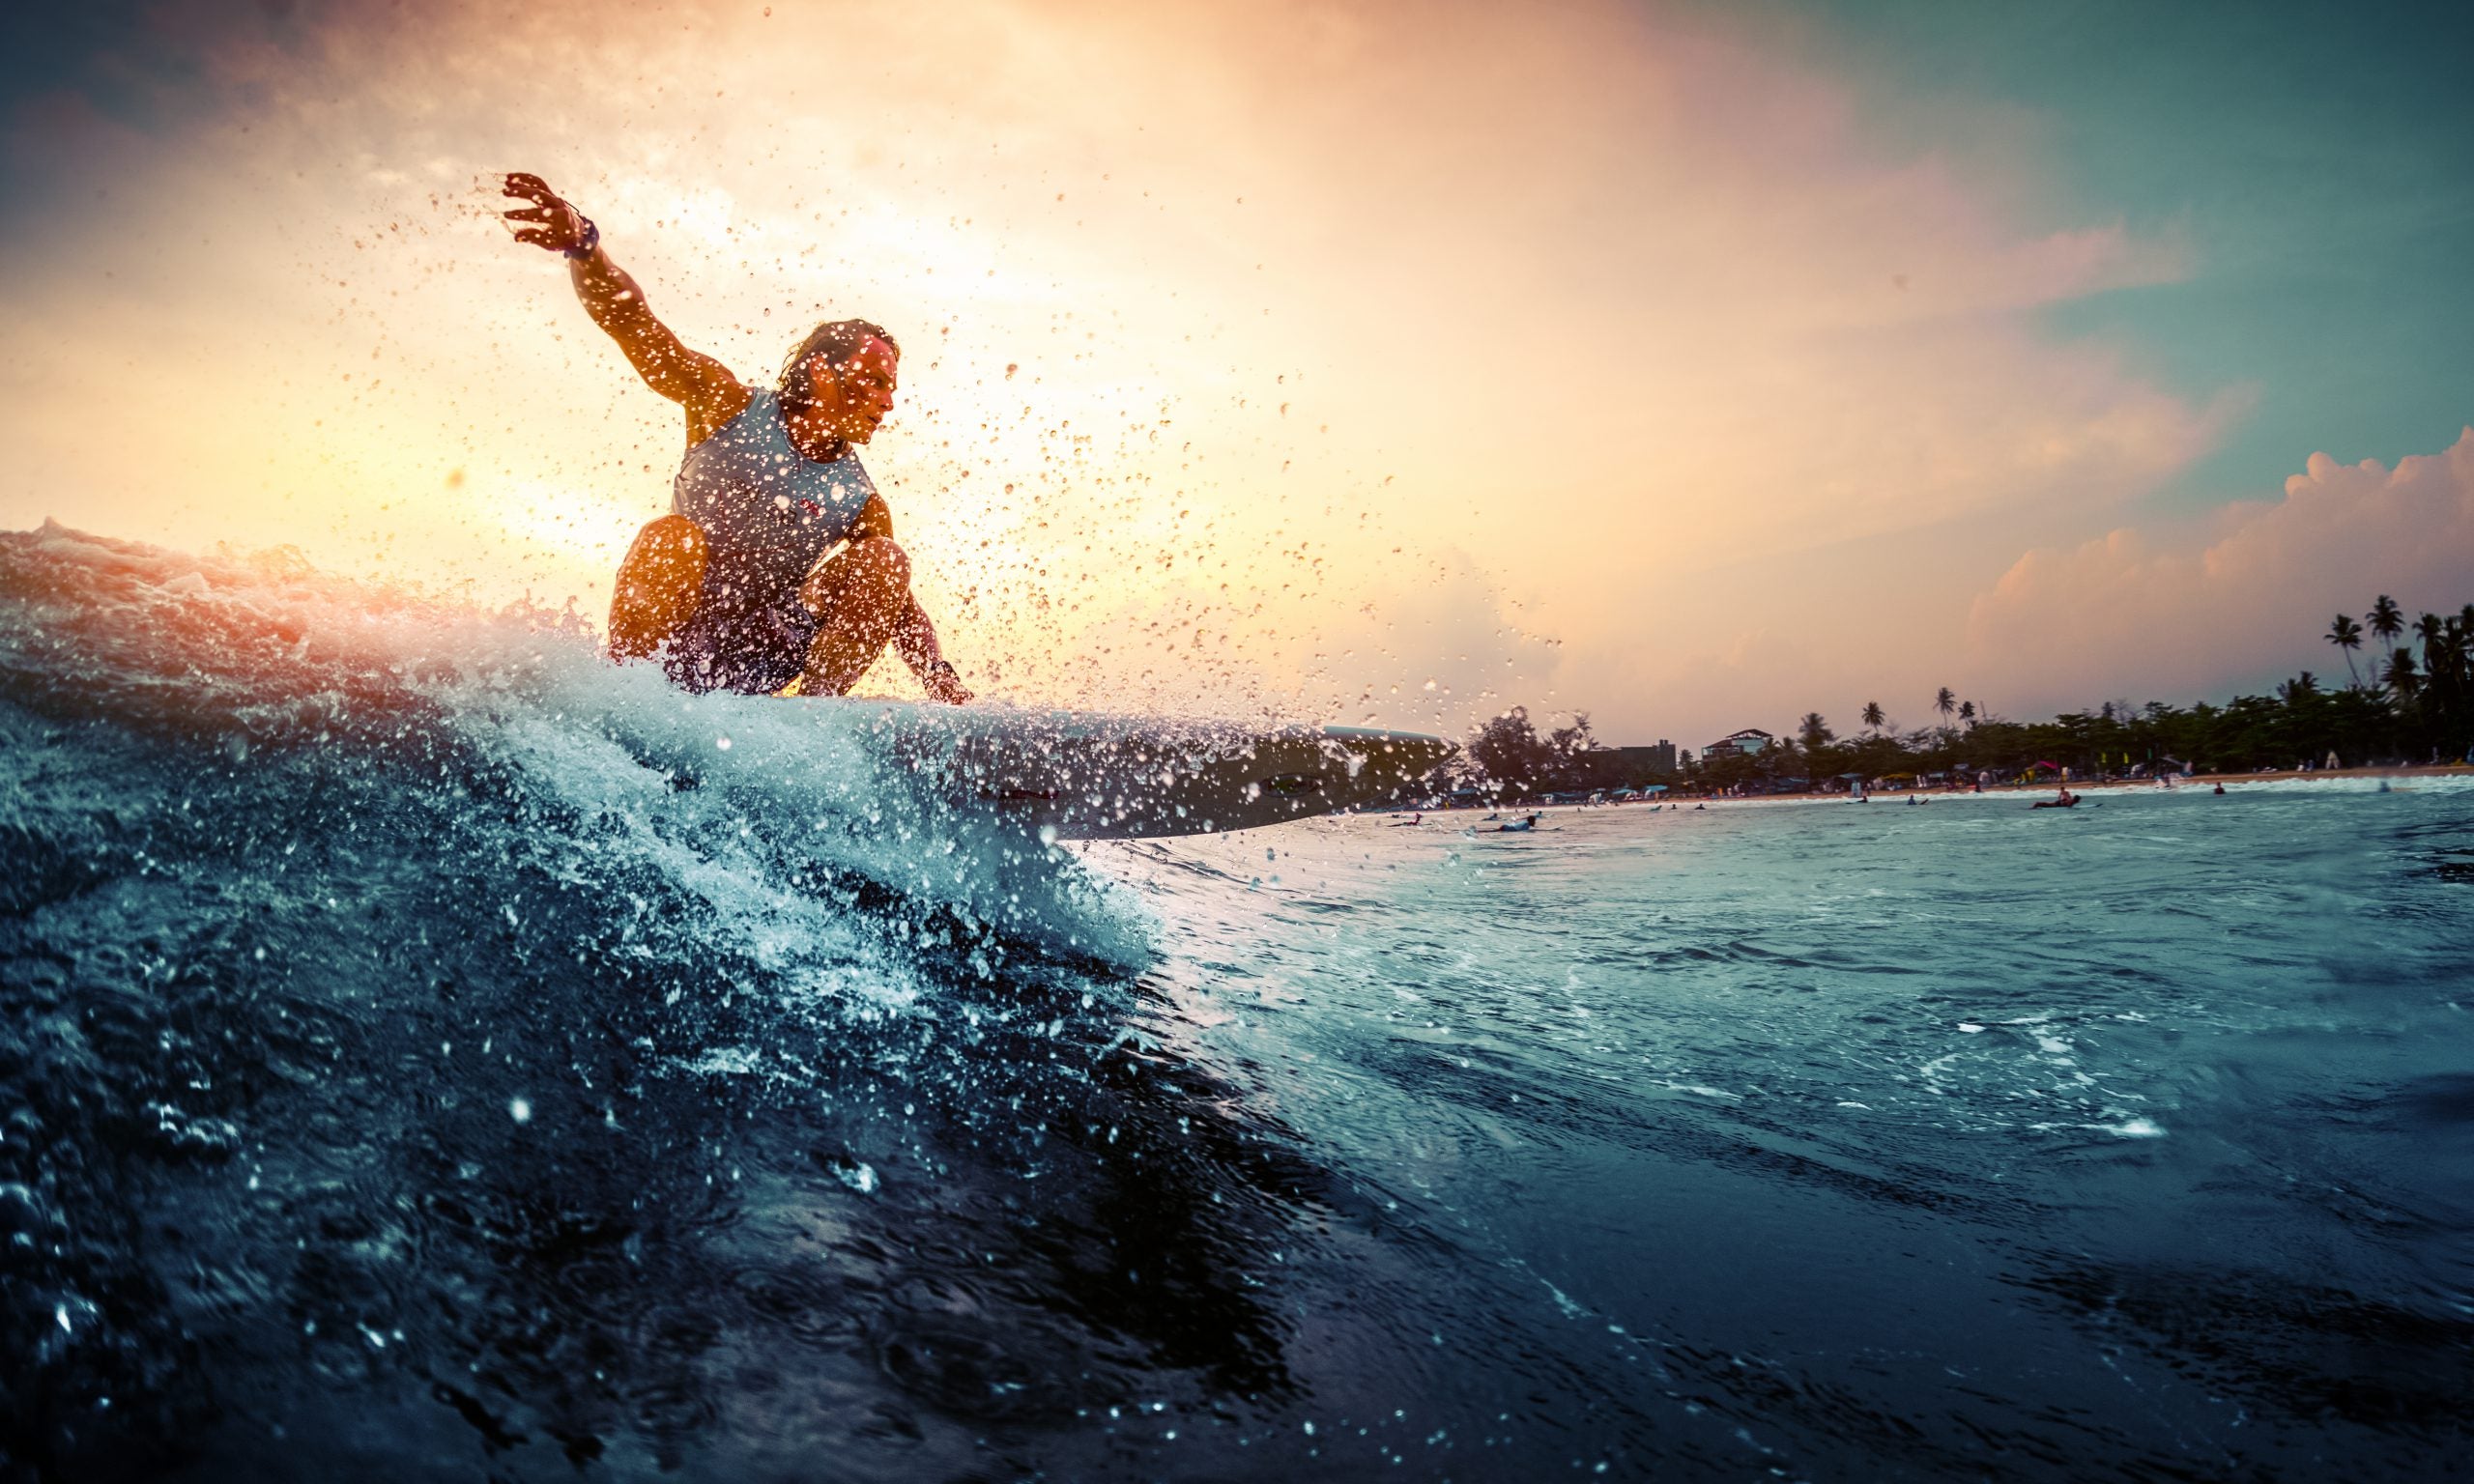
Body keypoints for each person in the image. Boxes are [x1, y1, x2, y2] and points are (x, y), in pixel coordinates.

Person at [500, 173, 970, 704]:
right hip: (674, 642)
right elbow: (635, 324)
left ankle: (814, 713)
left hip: (764, 651)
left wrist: (935, 671)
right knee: (669, 538)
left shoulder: (860, 497)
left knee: (887, 560)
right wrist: (584, 248)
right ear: (820, 371)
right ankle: (625, 699)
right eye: (876, 381)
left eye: (892, 389)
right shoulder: (725, 404)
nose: (888, 402)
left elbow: (897, 602)